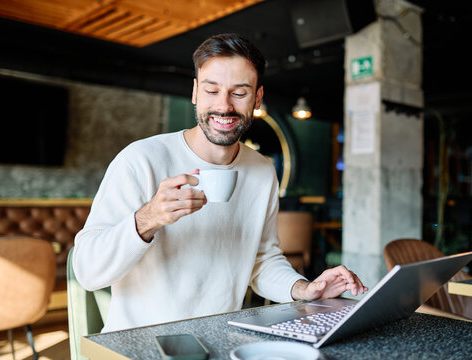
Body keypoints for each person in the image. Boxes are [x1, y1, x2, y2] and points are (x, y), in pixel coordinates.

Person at [73, 33, 367, 333]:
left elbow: (261, 260)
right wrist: (148, 219)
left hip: (218, 339)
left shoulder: (263, 171)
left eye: (239, 93)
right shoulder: (140, 159)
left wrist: (305, 289)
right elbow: (87, 271)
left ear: (257, 98)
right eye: (212, 90)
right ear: (195, 92)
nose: (224, 106)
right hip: (139, 343)